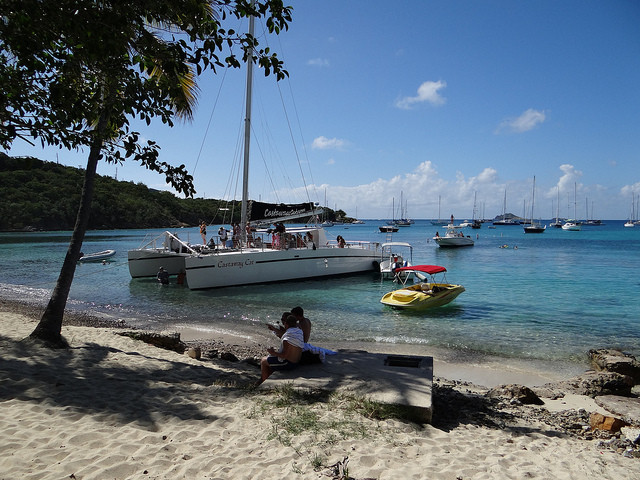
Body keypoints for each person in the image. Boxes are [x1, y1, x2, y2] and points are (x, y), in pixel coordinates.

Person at [260, 314, 303, 383]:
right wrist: (274, 329)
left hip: (289, 364)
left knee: (263, 361)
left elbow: (284, 356)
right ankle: (267, 378)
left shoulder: (287, 339)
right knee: (271, 359)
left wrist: (273, 352)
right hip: (297, 362)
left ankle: (263, 382)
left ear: (286, 324)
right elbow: (284, 333)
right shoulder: (299, 332)